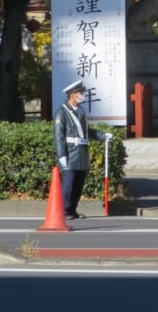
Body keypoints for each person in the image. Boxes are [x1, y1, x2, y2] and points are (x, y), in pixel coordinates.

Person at [54, 79, 111, 220]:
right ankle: (63, 210)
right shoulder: (62, 112)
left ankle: (72, 210)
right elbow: (58, 135)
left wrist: (102, 136)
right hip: (70, 152)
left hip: (81, 153)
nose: (82, 95)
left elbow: (86, 131)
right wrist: (62, 155)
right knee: (68, 184)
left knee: (78, 184)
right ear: (72, 95)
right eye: (80, 92)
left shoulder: (80, 111)